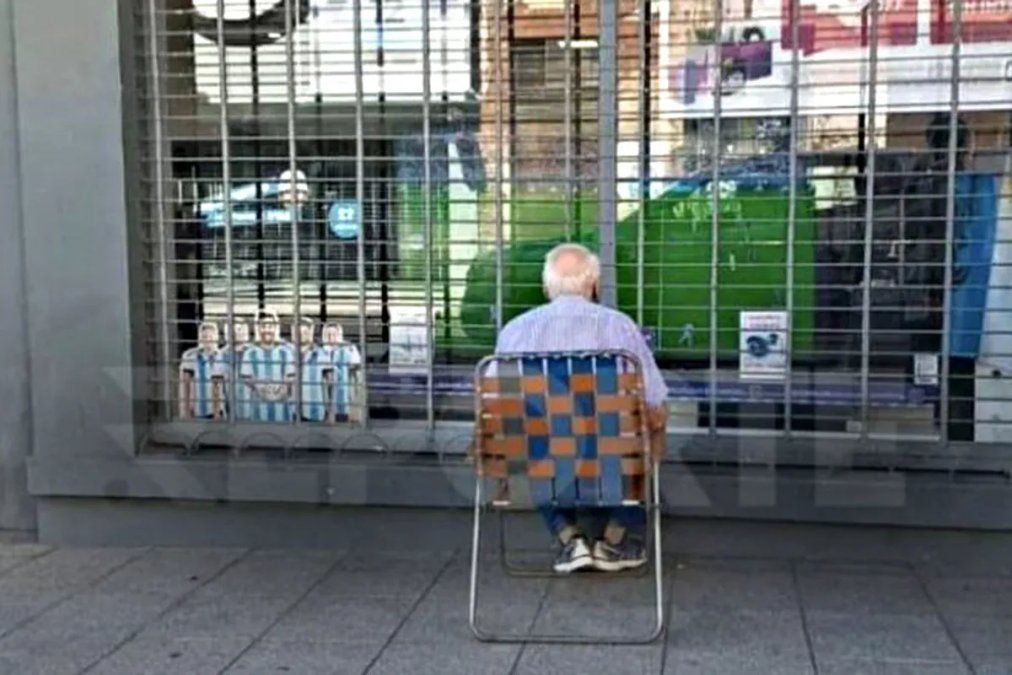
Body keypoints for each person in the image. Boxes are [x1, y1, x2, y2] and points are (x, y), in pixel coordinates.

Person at [494, 243, 668, 573]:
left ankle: (568, 537)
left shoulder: (515, 331)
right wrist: (655, 431)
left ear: (546, 286)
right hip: (611, 455)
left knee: (527, 433)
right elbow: (654, 401)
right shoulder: (619, 327)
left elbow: (499, 406)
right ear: (594, 284)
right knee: (649, 427)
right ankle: (615, 538)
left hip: (544, 456)